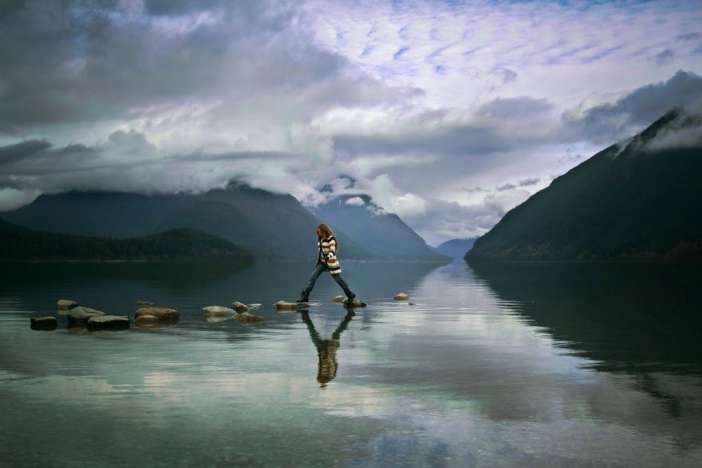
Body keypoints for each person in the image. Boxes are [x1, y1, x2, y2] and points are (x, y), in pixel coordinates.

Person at [297, 223, 356, 304]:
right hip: (322, 263)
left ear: (324, 230)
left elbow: (332, 250)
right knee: (312, 278)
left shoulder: (331, 239)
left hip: (331, 263)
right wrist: (320, 261)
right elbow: (321, 251)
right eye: (317, 232)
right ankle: (305, 297)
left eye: (319, 231)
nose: (318, 233)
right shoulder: (320, 239)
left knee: (338, 280)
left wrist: (328, 257)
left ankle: (350, 295)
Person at [301, 309, 355, 387]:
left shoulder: (326, 374)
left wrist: (323, 353)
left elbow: (327, 362)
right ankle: (349, 316)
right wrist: (327, 353)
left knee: (312, 331)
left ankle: (305, 316)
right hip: (330, 348)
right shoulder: (330, 373)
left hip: (322, 349)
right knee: (336, 333)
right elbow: (330, 361)